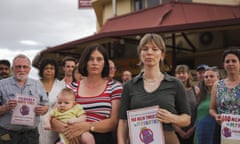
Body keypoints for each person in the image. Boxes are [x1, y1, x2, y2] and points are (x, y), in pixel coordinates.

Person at [117, 33, 191, 144]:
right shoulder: (129, 86)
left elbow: (187, 119)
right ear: (140, 54)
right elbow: (123, 122)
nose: (149, 53)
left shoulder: (175, 84)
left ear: (162, 54)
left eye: (155, 49)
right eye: (145, 49)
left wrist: (172, 118)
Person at [51, 44, 123, 144]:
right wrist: (70, 131)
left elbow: (114, 122)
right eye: (91, 59)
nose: (95, 63)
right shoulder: (71, 88)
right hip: (72, 139)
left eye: (99, 59)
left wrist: (86, 126)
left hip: (102, 139)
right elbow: (53, 119)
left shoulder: (115, 87)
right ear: (85, 62)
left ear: (105, 63)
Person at [0, 54, 49, 144]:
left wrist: (43, 109)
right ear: (12, 68)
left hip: (31, 135)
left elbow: (46, 106)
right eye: (18, 67)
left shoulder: (37, 84)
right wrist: (5, 107)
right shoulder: (2, 85)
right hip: (7, 134)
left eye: (25, 67)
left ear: (29, 69)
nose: (22, 70)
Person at [209, 48, 240, 144]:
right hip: (223, 129)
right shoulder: (217, 85)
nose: (230, 64)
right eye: (227, 61)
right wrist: (216, 116)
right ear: (224, 65)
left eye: (234, 61)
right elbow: (211, 109)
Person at [37, 58, 65, 144]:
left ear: (55, 70)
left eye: (51, 68)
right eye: (46, 68)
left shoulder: (62, 86)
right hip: (36, 122)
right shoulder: (34, 85)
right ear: (42, 70)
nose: (49, 70)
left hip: (53, 123)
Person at [194, 66, 220, 144]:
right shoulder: (200, 95)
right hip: (200, 132)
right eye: (206, 77)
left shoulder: (222, 96)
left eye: (211, 76)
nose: (208, 78)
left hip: (215, 133)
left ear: (218, 78)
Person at [174, 64, 199, 144]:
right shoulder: (171, 91)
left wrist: (192, 130)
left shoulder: (196, 90)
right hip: (176, 131)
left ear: (188, 75)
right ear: (175, 75)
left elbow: (199, 111)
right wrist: (179, 130)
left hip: (193, 131)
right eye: (179, 73)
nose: (181, 75)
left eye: (183, 72)